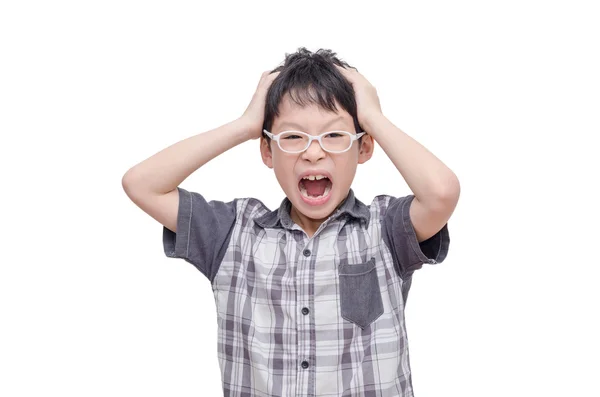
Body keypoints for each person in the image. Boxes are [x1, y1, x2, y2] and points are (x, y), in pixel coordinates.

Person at [122, 47, 460, 397]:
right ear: (268, 151)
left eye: (334, 135)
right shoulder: (235, 234)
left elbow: (441, 194)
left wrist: (373, 117)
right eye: (293, 137)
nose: (313, 152)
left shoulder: (385, 230)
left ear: (364, 147)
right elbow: (142, 184)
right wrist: (244, 126)